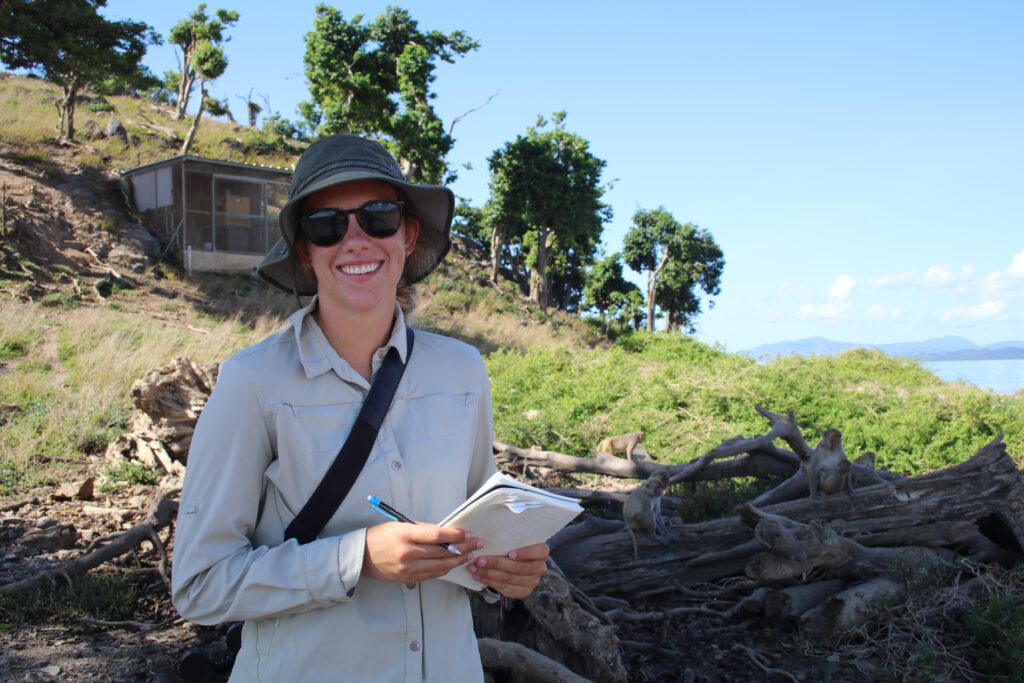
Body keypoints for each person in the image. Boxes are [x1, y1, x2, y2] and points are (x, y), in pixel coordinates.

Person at [171, 134, 549, 682]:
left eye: (378, 216)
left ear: (408, 232)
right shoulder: (252, 382)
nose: (355, 240)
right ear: (305, 249)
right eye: (327, 224)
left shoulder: (462, 371)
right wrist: (358, 559)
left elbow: (478, 534)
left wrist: (507, 568)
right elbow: (200, 585)